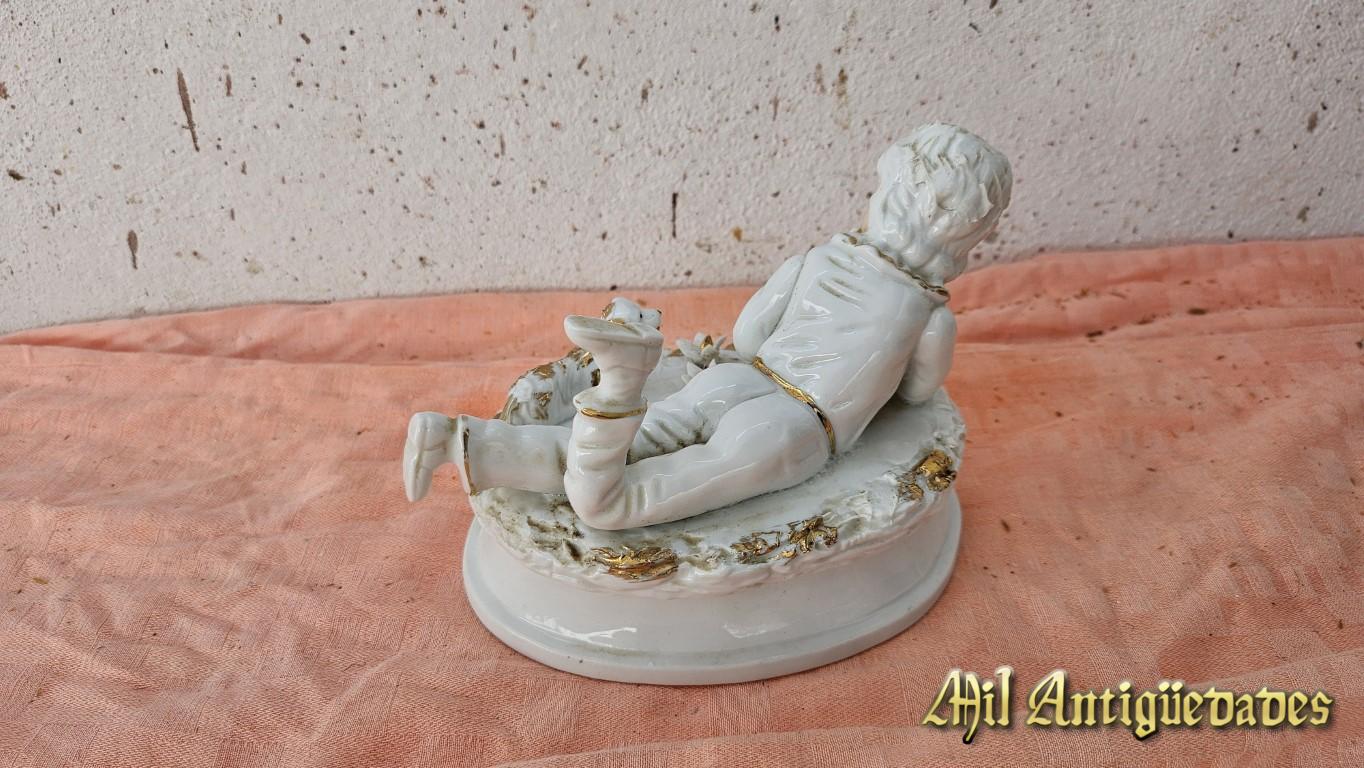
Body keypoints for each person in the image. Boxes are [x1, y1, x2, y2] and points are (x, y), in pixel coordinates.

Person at [404, 123, 1012, 530]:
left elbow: (748, 336)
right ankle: (617, 387)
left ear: (887, 200)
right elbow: (917, 392)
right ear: (966, 239)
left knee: (635, 443)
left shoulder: (816, 260)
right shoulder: (930, 317)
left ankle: (461, 442)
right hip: (799, 427)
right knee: (617, 503)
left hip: (741, 381)